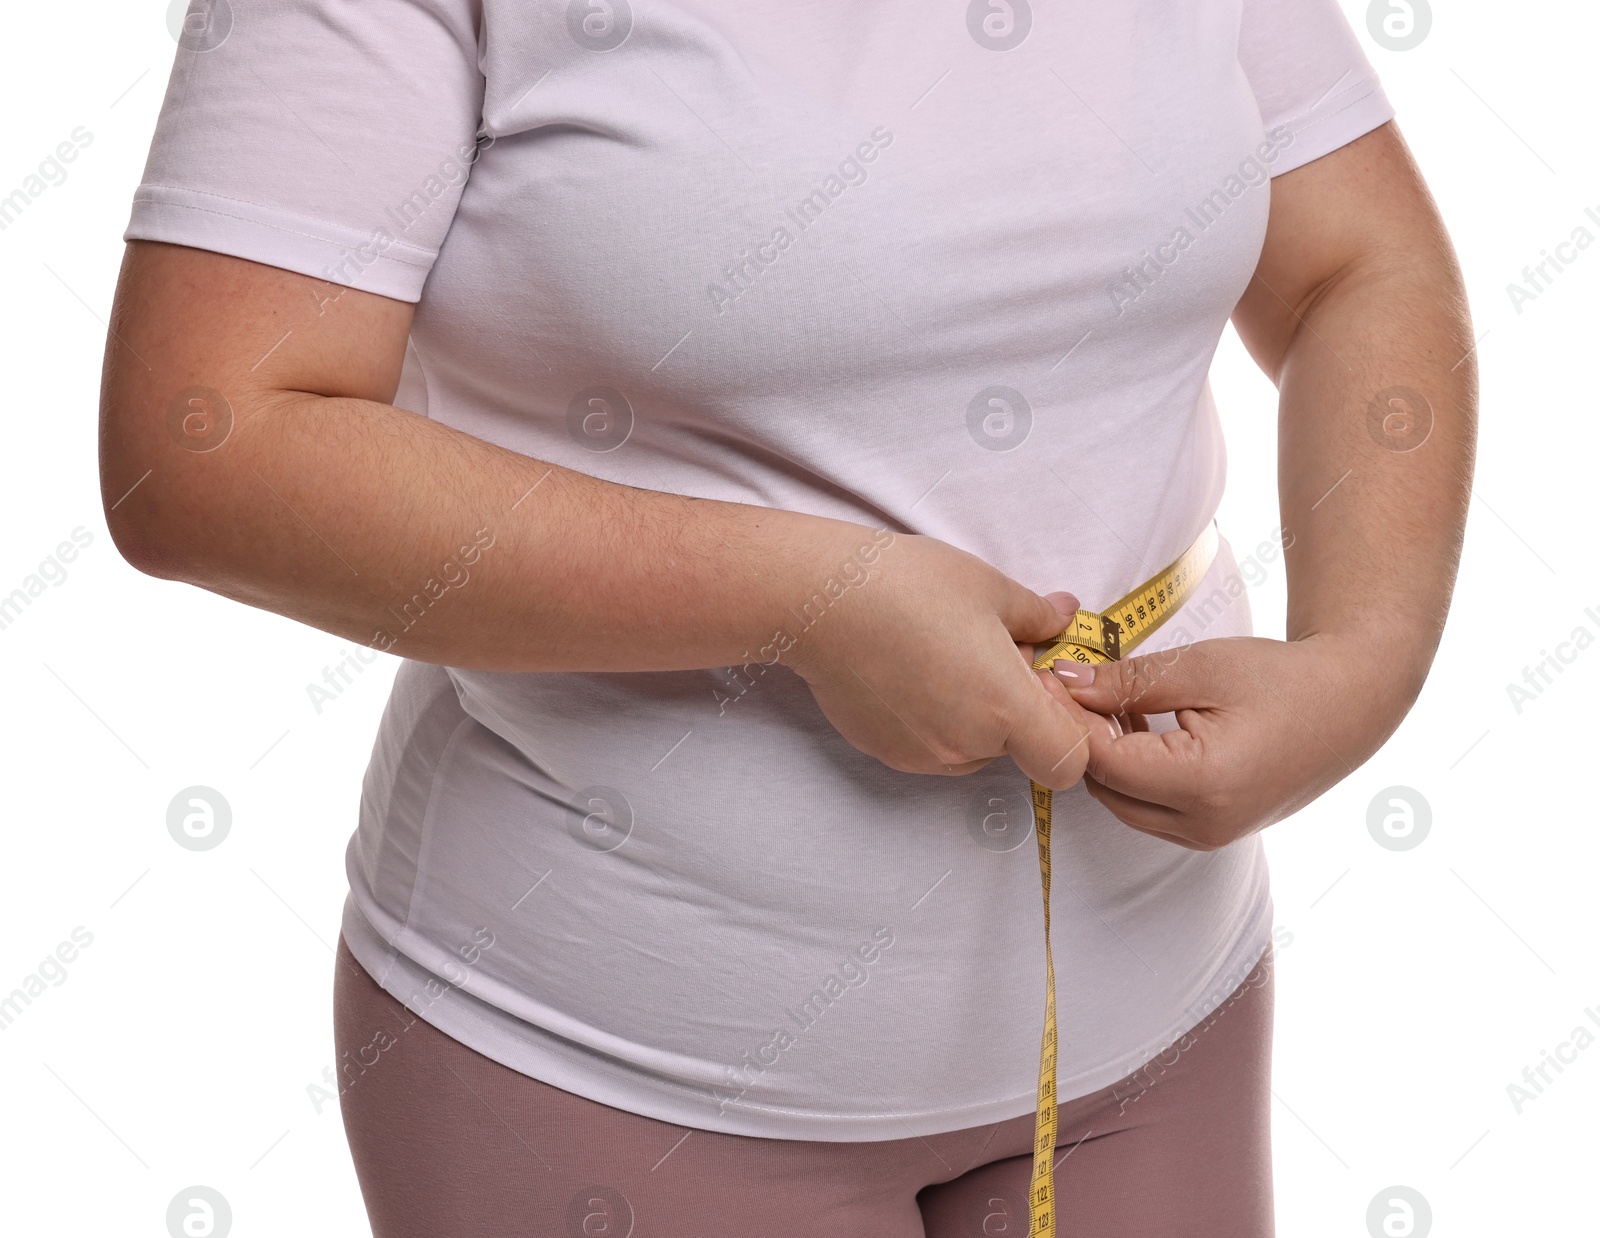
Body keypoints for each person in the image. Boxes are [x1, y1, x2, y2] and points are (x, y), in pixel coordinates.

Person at [100, 1, 1475, 1234]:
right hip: (614, 1069)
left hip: (1164, 1022)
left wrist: (1366, 656)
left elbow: (1358, 263)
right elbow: (205, 445)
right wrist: (807, 604)